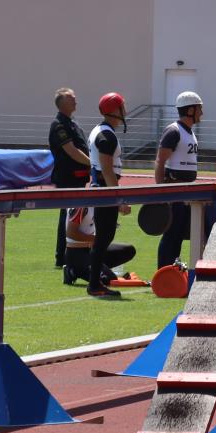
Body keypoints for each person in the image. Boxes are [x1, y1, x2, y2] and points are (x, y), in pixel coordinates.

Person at [86, 92, 133, 299]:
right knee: (104, 238)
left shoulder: (100, 130)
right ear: (115, 111)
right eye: (122, 107)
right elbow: (107, 169)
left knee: (104, 238)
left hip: (101, 188)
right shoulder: (107, 136)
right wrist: (119, 198)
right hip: (105, 189)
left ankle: (96, 280)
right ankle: (94, 283)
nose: (126, 111)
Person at [155, 90, 202, 269]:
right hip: (174, 191)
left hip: (186, 192)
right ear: (190, 110)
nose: (202, 113)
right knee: (171, 233)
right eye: (199, 109)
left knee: (179, 233)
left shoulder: (189, 132)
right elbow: (160, 161)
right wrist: (160, 192)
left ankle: (172, 269)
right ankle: (164, 271)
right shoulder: (173, 131)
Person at [48, 88, 92, 269]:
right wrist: (93, 164)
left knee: (75, 216)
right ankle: (62, 257)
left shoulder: (73, 124)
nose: (76, 101)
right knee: (67, 217)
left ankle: (73, 254)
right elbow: (72, 151)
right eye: (71, 98)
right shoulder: (59, 125)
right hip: (67, 178)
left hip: (78, 178)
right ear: (62, 103)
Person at [63, 203, 135, 288]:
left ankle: (100, 268)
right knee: (108, 279)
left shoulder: (101, 201)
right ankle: (73, 271)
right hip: (76, 252)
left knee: (128, 251)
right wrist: (97, 239)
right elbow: (71, 233)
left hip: (91, 248)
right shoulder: (82, 205)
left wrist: (121, 206)